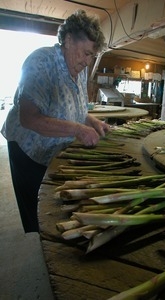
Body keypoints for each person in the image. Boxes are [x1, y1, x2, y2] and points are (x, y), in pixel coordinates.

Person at [1, 9, 110, 233]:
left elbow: (74, 109)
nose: (88, 61)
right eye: (86, 53)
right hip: (30, 151)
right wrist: (77, 129)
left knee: (54, 206)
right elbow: (29, 118)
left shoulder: (78, 70)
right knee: (37, 211)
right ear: (68, 40)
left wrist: (91, 121)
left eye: (92, 56)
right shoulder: (41, 62)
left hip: (55, 149)